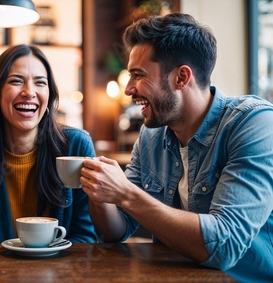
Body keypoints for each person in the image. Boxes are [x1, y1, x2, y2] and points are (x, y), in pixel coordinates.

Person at [81, 13, 273, 282]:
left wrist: (124, 193)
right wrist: (99, 192)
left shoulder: (254, 124)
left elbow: (224, 245)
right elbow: (117, 229)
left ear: (181, 77)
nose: (128, 89)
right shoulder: (151, 137)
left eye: (138, 75)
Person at [0, 44, 98, 243]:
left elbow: (84, 235)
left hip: (60, 270)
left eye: (40, 83)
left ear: (50, 94)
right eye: (16, 81)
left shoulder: (76, 146)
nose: (29, 92)